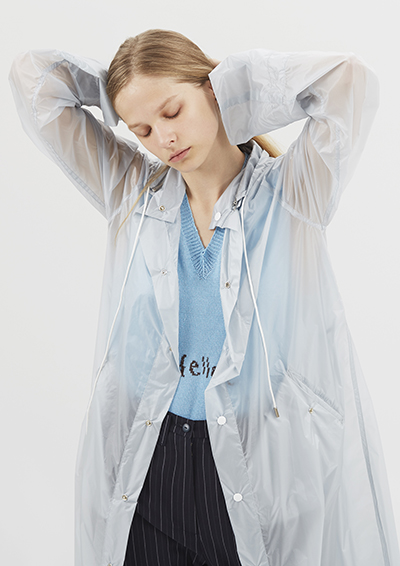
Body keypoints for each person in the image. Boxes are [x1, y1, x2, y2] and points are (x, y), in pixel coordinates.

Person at [9, 28, 400, 566]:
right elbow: (32, 79)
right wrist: (118, 90)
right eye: (143, 129)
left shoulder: (293, 193)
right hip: (151, 462)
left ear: (212, 89)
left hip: (254, 464)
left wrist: (235, 88)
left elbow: (348, 81)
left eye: (172, 111)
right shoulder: (132, 193)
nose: (164, 138)